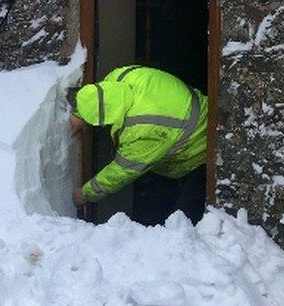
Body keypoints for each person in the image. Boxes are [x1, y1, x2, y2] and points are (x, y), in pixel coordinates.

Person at [68, 65, 208, 224]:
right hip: (202, 111)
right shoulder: (120, 75)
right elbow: (98, 97)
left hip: (199, 150)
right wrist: (80, 115)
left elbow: (121, 171)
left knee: (185, 218)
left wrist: (85, 194)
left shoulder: (142, 128)